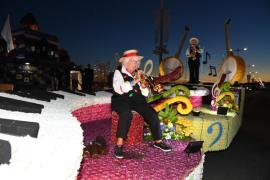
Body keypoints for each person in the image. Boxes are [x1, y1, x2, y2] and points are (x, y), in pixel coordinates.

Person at [111, 49, 172, 159]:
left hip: (136, 99)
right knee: (126, 113)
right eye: (134, 61)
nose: (136, 64)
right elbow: (119, 89)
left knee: (152, 113)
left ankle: (158, 141)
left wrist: (144, 86)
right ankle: (119, 145)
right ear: (126, 62)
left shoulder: (138, 73)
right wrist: (134, 81)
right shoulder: (118, 72)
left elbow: (144, 94)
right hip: (120, 99)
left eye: (137, 62)